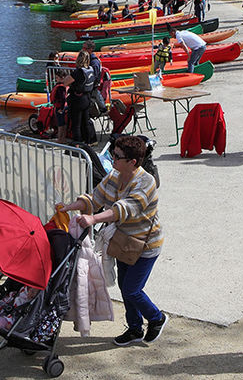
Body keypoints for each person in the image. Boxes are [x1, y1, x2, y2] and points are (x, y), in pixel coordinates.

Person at [57, 136, 166, 347]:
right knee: (126, 288)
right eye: (112, 154)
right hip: (123, 242)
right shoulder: (115, 176)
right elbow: (94, 198)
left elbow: (123, 209)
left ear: (133, 162)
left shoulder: (146, 182)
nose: (112, 159)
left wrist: (94, 218)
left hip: (146, 245)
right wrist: (68, 207)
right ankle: (134, 328)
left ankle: (156, 318)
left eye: (117, 156)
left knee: (132, 290)